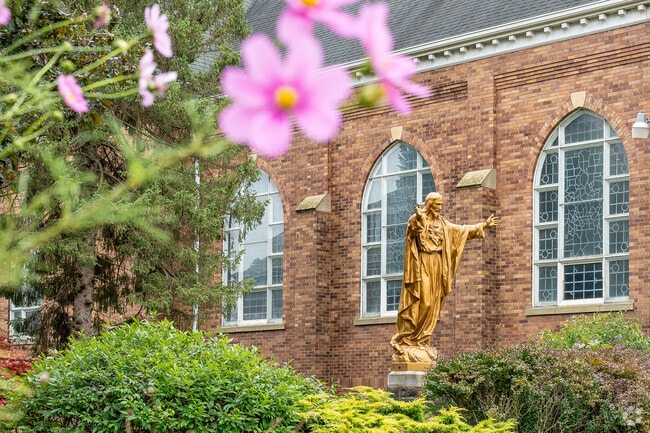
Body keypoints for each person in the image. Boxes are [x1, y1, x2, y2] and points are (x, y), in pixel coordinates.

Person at [390, 192, 500, 364]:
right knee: (423, 302)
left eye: (441, 204)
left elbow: (462, 230)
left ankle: (422, 341)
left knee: (433, 303)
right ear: (430, 204)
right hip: (423, 264)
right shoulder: (418, 218)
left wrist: (482, 226)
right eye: (437, 204)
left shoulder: (443, 224)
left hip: (438, 266)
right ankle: (408, 339)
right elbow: (413, 231)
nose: (440, 207)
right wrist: (419, 219)